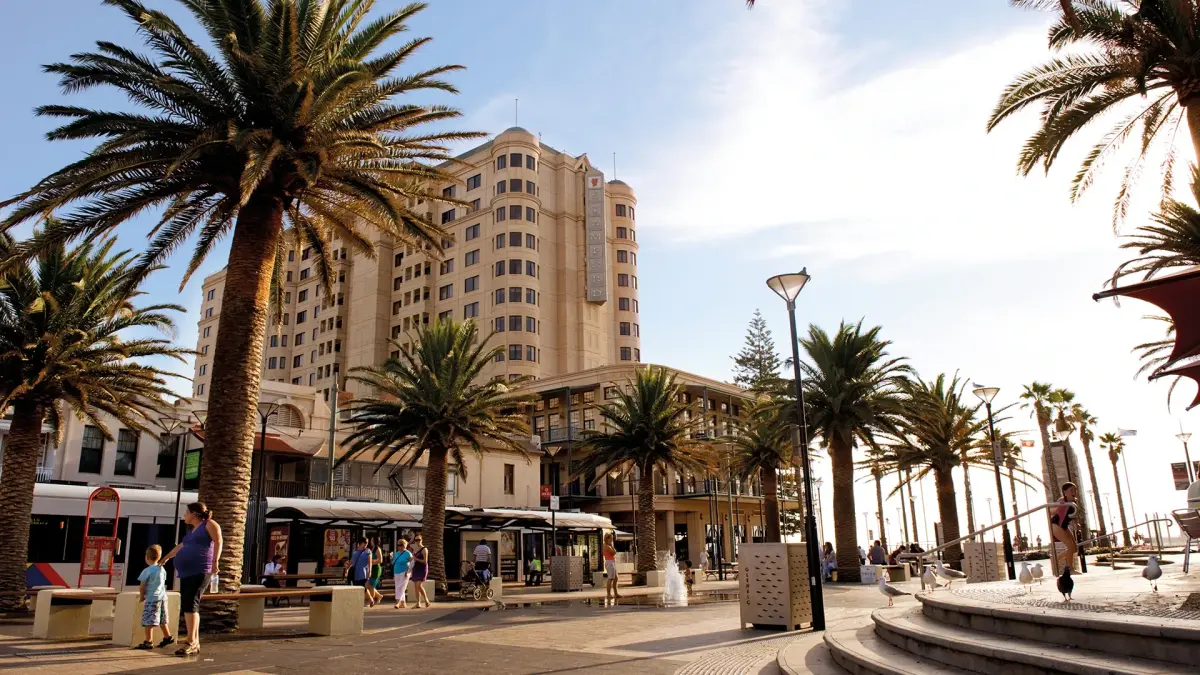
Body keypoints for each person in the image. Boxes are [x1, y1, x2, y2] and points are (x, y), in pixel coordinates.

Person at [160, 502, 221, 657]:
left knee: (190, 604)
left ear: (194, 513)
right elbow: (181, 546)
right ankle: (195, 641)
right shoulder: (191, 531)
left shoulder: (209, 524)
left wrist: (215, 562)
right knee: (189, 604)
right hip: (187, 572)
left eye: (186, 512)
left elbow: (219, 541)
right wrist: (166, 558)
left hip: (200, 570)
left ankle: (190, 642)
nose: (184, 515)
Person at [134, 545, 174, 650]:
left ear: (147, 557)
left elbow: (142, 585)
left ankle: (148, 641)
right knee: (162, 619)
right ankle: (167, 636)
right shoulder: (162, 569)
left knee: (148, 621)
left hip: (152, 599)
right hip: (162, 597)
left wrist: (142, 596)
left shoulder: (147, 570)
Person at [1050, 482, 1080, 574]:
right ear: (1065, 491)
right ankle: (1070, 569)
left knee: (1074, 548)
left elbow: (1072, 515)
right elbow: (1051, 511)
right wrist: (1059, 507)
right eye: (1071, 490)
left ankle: (1055, 559)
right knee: (1070, 545)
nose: (1074, 492)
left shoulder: (1075, 501)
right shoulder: (1063, 499)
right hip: (1056, 525)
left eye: (1075, 489)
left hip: (1064, 526)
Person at [350, 538, 374, 606]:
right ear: (360, 543)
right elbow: (352, 561)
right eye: (365, 542)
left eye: (367, 543)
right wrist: (347, 568)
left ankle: (369, 600)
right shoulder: (355, 551)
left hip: (363, 573)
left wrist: (369, 571)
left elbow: (370, 562)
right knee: (357, 587)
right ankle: (367, 600)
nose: (366, 544)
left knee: (363, 587)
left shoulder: (368, 551)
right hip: (355, 573)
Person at [409, 533, 431, 608]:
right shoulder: (415, 549)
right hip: (416, 568)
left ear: (421, 540)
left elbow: (425, 561)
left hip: (422, 569)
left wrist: (416, 559)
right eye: (416, 540)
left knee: (419, 585)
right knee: (416, 586)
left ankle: (426, 600)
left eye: (419, 540)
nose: (417, 541)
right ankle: (418, 603)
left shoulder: (424, 549)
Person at [392, 539, 412, 609]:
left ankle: (397, 602)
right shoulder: (397, 553)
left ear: (405, 545)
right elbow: (394, 562)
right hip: (396, 571)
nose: (399, 547)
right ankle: (403, 603)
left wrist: (408, 571)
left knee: (401, 587)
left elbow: (412, 563)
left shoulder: (408, 553)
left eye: (401, 545)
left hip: (404, 571)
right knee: (398, 586)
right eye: (398, 545)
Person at [602, 534, 620, 601]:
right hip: (610, 563)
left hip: (611, 562)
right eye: (611, 539)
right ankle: (608, 594)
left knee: (616, 578)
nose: (612, 540)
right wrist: (612, 546)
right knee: (610, 578)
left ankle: (616, 593)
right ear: (607, 539)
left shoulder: (608, 546)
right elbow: (614, 552)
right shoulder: (607, 546)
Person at [367, 537, 384, 605]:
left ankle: (371, 601)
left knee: (371, 585)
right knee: (368, 585)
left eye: (371, 540)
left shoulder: (377, 549)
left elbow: (380, 560)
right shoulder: (372, 548)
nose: (370, 541)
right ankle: (379, 596)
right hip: (371, 568)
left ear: (374, 541)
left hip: (376, 569)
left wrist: (371, 562)